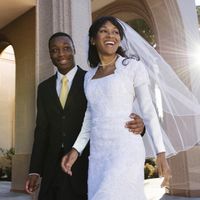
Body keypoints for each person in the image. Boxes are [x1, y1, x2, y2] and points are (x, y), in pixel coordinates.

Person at [25, 32, 146, 200]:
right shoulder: (44, 88)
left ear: (74, 50)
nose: (61, 54)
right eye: (55, 50)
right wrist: (35, 170)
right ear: (50, 54)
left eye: (66, 48)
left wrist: (141, 126)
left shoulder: (91, 80)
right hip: (51, 169)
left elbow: (113, 113)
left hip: (84, 167)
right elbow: (41, 131)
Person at [61, 16, 171, 200]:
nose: (110, 35)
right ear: (93, 39)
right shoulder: (88, 77)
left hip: (125, 148)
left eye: (115, 32)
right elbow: (90, 118)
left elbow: (148, 111)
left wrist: (161, 152)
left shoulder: (132, 67)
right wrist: (76, 150)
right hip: (98, 154)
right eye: (104, 31)